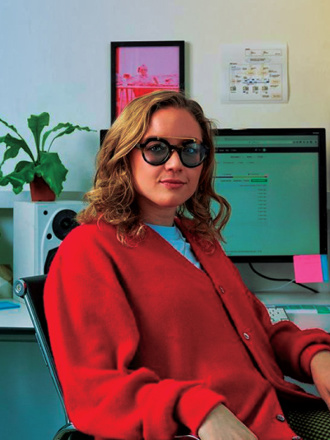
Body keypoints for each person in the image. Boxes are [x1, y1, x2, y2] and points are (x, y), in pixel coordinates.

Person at [44, 90, 330, 440]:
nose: (176, 163)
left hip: (272, 412)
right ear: (124, 156)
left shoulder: (199, 239)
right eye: (156, 148)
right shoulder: (89, 249)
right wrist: (200, 411)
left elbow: (258, 332)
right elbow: (95, 392)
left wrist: (315, 356)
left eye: (190, 149)